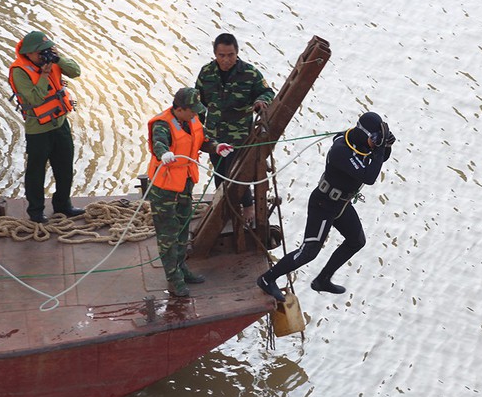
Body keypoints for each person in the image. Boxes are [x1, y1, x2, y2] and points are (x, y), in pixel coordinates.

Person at [257, 112, 396, 301]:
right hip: (324, 204)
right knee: (308, 252)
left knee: (357, 241)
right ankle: (267, 279)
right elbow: (369, 176)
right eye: (374, 138)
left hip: (341, 204)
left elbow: (379, 159)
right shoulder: (341, 149)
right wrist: (380, 149)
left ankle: (322, 280)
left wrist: (386, 146)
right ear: (363, 133)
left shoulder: (362, 144)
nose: (375, 142)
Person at [147, 87, 234, 297]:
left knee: (183, 230)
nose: (196, 114)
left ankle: (181, 267)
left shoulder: (192, 121)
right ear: (180, 109)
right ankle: (173, 277)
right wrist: (164, 153)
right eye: (192, 111)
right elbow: (158, 143)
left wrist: (216, 147)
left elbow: (201, 140)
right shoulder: (163, 124)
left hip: (185, 184)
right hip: (164, 189)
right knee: (168, 234)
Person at [195, 33, 275, 223]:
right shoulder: (206, 73)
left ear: (237, 53)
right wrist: (195, 131)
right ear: (215, 54)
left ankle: (247, 206)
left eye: (230, 55)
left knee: (238, 174)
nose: (226, 60)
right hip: (214, 135)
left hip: (239, 136)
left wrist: (260, 101)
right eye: (221, 55)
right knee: (220, 172)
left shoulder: (250, 73)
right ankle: (224, 207)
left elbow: (267, 92)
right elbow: (198, 102)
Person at [8, 30, 83, 223]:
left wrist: (57, 58)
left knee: (65, 167)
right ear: (29, 54)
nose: (44, 54)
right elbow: (34, 97)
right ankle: (36, 212)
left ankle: (63, 205)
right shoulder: (19, 71)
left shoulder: (53, 61)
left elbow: (76, 72)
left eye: (46, 50)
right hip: (38, 130)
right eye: (40, 52)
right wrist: (45, 74)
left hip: (60, 124)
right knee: (36, 172)